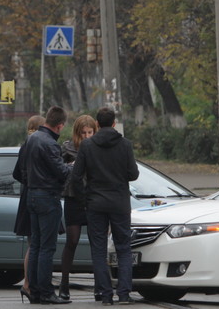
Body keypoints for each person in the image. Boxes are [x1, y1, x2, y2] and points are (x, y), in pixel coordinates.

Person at [71, 107, 139, 305]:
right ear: (114, 123)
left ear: (98, 125)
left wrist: (85, 200)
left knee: (98, 250)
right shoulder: (125, 145)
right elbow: (133, 174)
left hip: (95, 204)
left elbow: (76, 177)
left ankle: (106, 295)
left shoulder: (87, 146)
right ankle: (124, 294)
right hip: (119, 204)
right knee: (124, 248)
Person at [25, 106, 71, 305]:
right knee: (47, 248)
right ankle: (46, 292)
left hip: (32, 195)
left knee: (35, 245)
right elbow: (61, 172)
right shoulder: (50, 144)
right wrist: (73, 167)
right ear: (59, 125)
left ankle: (33, 289)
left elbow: (20, 170)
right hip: (48, 197)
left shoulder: (32, 139)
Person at [58, 114, 98, 300]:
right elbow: (58, 171)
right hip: (74, 198)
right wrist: (70, 166)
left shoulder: (98, 148)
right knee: (72, 240)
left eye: (90, 132)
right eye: (83, 133)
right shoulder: (68, 148)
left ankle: (100, 284)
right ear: (77, 133)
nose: (87, 136)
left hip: (92, 198)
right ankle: (64, 284)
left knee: (96, 242)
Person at [12, 114, 45, 302]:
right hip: (34, 197)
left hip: (26, 197)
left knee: (33, 244)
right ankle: (29, 284)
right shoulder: (35, 144)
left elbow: (17, 173)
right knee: (35, 245)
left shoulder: (25, 145)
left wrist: (26, 180)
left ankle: (29, 284)